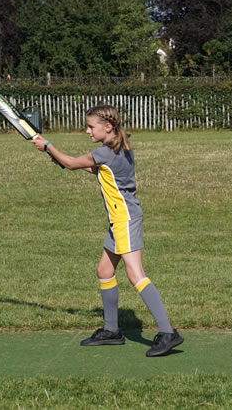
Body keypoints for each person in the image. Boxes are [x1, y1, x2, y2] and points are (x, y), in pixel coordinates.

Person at [30, 105, 184, 357]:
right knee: (104, 270)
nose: (87, 131)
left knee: (136, 275)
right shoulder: (119, 147)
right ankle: (112, 330)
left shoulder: (105, 151)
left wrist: (48, 146)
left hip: (125, 219)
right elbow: (90, 167)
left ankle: (168, 332)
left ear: (108, 127)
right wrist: (57, 157)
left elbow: (72, 163)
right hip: (119, 219)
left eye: (91, 127)